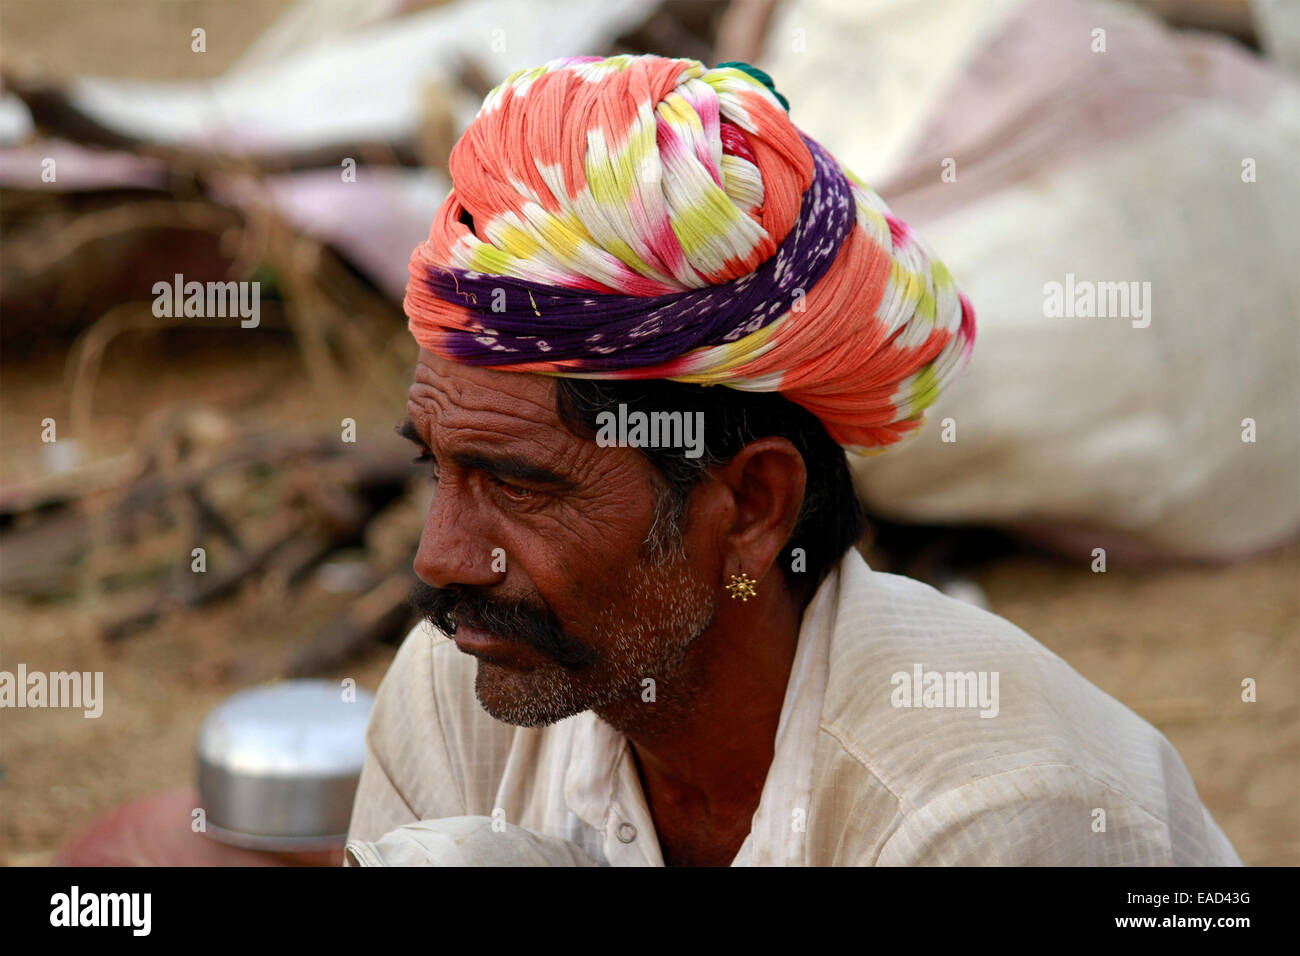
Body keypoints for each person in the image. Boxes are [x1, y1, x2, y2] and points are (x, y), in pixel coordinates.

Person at [344, 54, 1239, 866]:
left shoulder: (984, 819)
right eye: (441, 470)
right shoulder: (459, 684)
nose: (441, 559)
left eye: (518, 486)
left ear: (752, 506)